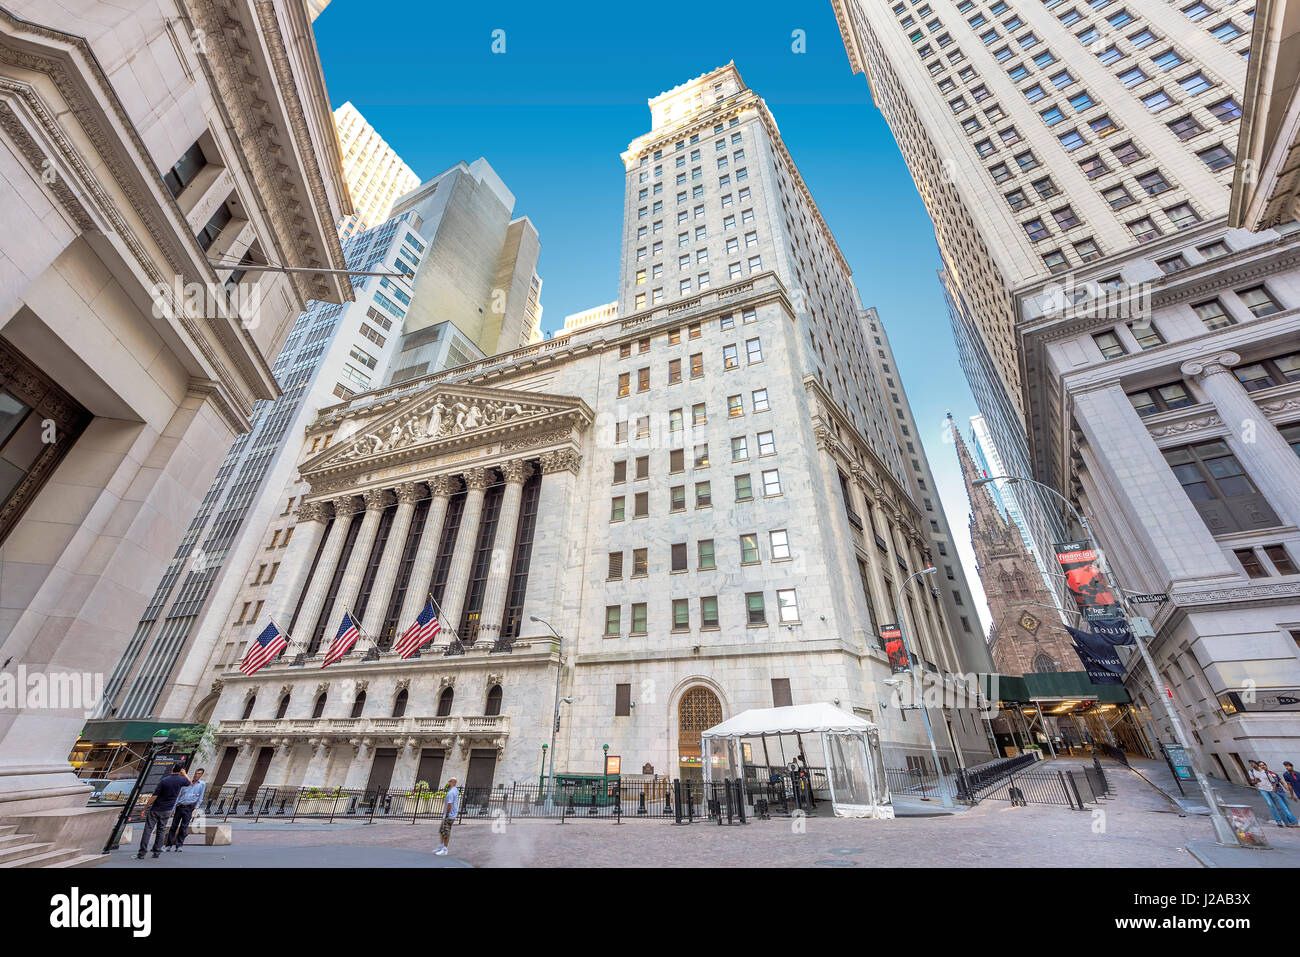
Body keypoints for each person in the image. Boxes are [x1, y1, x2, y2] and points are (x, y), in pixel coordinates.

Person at [138, 765, 190, 859]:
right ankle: (157, 851)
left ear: (172, 769)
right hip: (167, 809)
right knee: (161, 830)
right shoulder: (180, 780)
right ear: (180, 771)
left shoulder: (165, 780)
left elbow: (155, 796)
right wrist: (184, 774)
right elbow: (189, 782)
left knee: (148, 830)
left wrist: (145, 808)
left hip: (156, 808)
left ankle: (142, 853)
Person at [165, 768, 206, 852]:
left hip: (189, 808)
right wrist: (173, 808)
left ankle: (179, 845)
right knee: (174, 826)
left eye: (199, 774)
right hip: (180, 806)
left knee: (184, 827)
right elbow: (178, 796)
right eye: (196, 773)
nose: (196, 775)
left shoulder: (202, 784)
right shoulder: (186, 783)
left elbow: (200, 798)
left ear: (201, 775)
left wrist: (196, 808)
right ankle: (168, 845)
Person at [1249, 760, 1298, 828]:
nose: (1262, 766)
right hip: (1269, 791)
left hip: (1279, 792)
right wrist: (1256, 782)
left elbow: (1280, 781)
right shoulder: (1254, 772)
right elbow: (1253, 782)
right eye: (1260, 765)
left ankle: (1290, 821)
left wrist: (1288, 791)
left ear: (1266, 765)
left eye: (1263, 765)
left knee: (1285, 807)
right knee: (1275, 806)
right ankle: (1283, 821)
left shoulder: (1271, 773)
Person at [435, 777, 459, 856]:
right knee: (442, 830)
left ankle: (445, 849)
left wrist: (447, 814)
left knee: (446, 832)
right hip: (450, 814)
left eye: (449, 781)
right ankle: (441, 846)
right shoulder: (455, 790)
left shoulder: (451, 792)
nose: (448, 782)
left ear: (452, 782)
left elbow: (450, 804)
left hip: (449, 815)